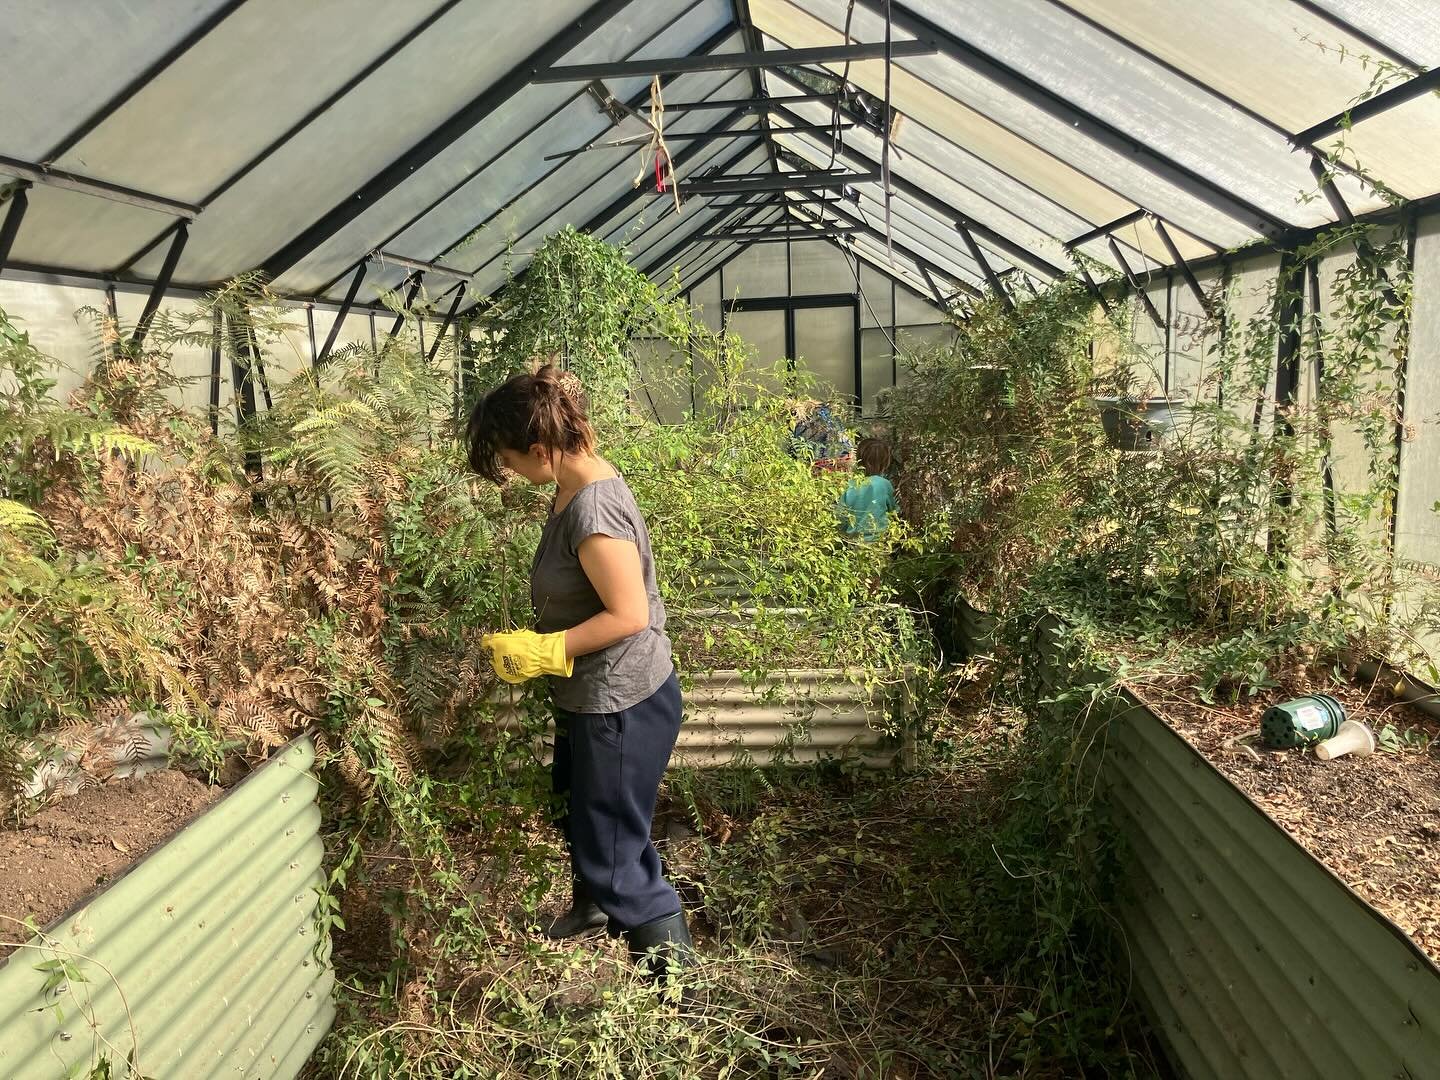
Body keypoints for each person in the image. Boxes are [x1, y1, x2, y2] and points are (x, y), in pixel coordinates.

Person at [467, 364, 691, 981]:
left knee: (616, 847)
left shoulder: (592, 508)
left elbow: (629, 614)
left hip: (620, 702)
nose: (510, 470)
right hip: (591, 694)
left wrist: (546, 649)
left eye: (511, 459)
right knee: (580, 807)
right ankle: (594, 907)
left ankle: (676, 993)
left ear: (541, 449)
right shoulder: (575, 475)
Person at [838, 437, 898, 542]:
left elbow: (841, 517)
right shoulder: (885, 485)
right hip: (879, 542)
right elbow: (894, 513)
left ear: (860, 460)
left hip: (853, 542)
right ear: (886, 461)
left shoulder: (850, 485)